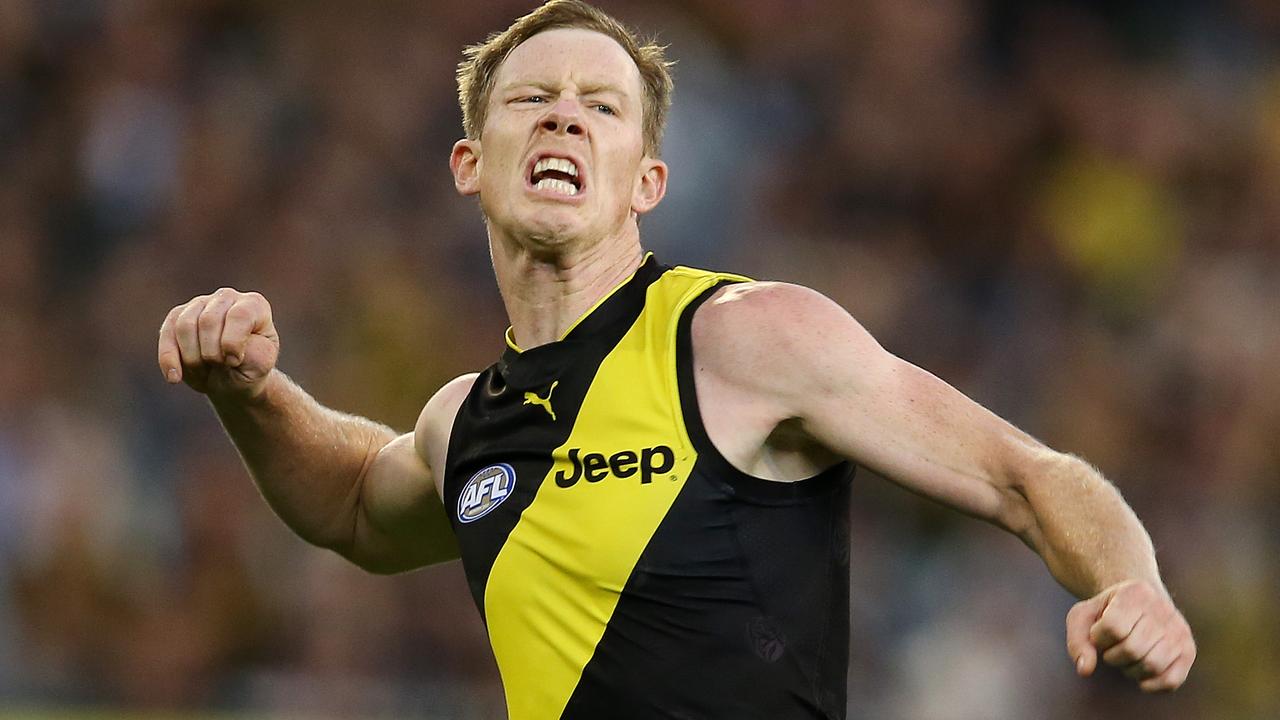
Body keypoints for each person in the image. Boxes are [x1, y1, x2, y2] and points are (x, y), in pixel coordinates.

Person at [157, 1, 1196, 717]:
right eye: (531, 98)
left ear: (644, 182)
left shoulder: (746, 338)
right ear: (469, 163)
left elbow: (1025, 476)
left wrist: (1130, 582)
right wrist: (249, 392)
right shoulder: (462, 423)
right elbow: (348, 508)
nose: (564, 112)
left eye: (600, 106)